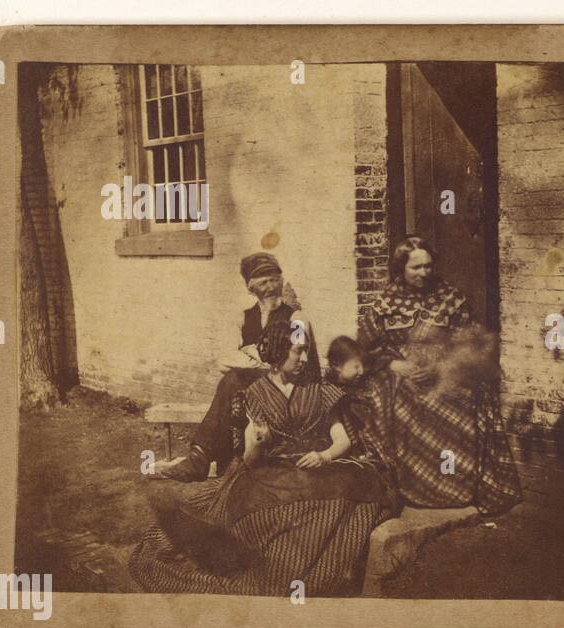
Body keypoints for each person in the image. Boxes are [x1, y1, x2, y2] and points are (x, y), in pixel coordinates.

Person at [130, 321, 394, 596]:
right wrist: (258, 442)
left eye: (305, 351)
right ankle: (279, 569)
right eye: (297, 351)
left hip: (320, 469)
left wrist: (324, 456)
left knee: (349, 487)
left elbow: (343, 440)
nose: (304, 358)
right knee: (257, 503)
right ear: (279, 353)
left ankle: (309, 567)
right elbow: (251, 461)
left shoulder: (318, 389)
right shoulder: (255, 394)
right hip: (274, 472)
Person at [347, 236, 522, 515]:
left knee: (458, 400)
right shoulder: (384, 304)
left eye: (428, 266)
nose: (424, 273)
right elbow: (364, 349)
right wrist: (395, 365)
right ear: (400, 268)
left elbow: (470, 344)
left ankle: (453, 489)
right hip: (402, 377)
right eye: (416, 268)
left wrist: (441, 367)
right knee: (401, 403)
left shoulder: (450, 298)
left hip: (445, 374)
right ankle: (414, 489)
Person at [159, 252, 320, 482]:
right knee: (233, 380)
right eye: (263, 282)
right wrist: (264, 359)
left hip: (293, 386)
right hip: (258, 385)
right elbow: (223, 360)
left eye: (274, 279)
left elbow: (296, 355)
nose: (271, 286)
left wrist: (250, 354)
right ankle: (208, 459)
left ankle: (200, 458)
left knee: (233, 380)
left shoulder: (297, 318)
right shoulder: (243, 317)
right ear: (251, 288)